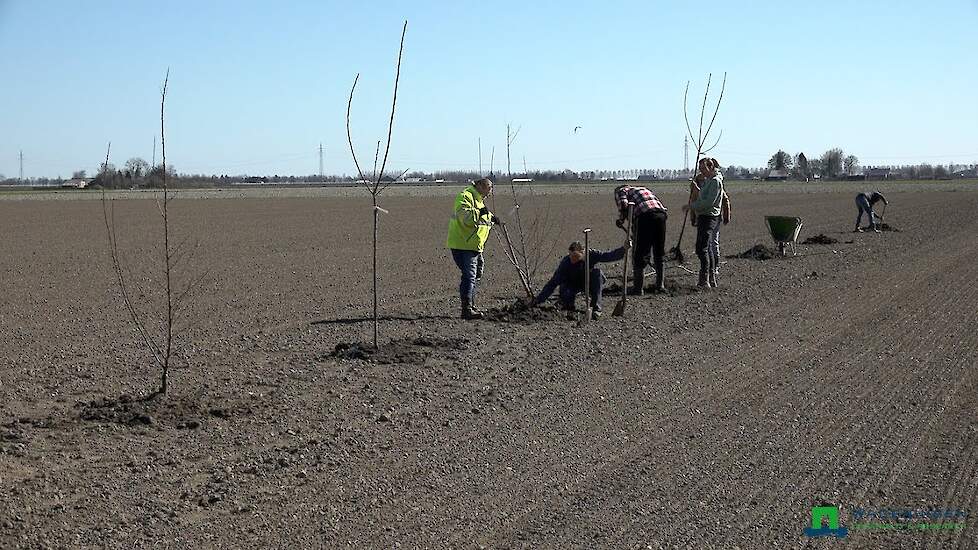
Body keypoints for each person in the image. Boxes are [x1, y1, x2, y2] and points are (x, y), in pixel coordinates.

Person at [446, 178, 500, 319]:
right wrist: (483, 214)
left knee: (477, 273)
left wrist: (493, 218)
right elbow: (466, 216)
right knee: (469, 275)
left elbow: (482, 214)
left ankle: (471, 305)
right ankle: (467, 310)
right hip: (463, 243)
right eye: (489, 188)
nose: (491, 191)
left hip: (474, 245)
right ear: (480, 186)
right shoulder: (465, 196)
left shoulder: (478, 199)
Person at [531, 240, 627, 320]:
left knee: (597, 274)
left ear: (582, 253)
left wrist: (623, 249)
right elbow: (553, 283)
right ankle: (567, 306)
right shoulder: (566, 263)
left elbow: (609, 256)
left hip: (588, 282)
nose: (572, 259)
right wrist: (539, 299)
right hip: (572, 284)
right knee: (565, 292)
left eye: (575, 256)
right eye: (571, 256)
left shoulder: (591, 254)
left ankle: (596, 309)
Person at [614, 185, 668, 294]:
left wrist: (621, 219)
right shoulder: (642, 189)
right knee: (659, 252)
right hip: (661, 215)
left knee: (640, 254)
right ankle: (660, 285)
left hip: (645, 216)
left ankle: (638, 289)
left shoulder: (621, 191)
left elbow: (624, 207)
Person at [683, 157, 724, 289]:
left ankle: (704, 279)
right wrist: (695, 189)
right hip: (704, 217)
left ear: (711, 167)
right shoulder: (708, 181)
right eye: (700, 169)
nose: (701, 172)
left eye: (703, 169)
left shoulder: (715, 182)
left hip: (709, 217)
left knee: (702, 249)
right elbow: (703, 196)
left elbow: (708, 202)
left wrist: (692, 207)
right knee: (705, 248)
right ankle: (710, 278)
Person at [709, 189, 731, 277]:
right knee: (709, 243)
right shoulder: (700, 183)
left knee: (713, 242)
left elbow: (725, 201)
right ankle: (710, 267)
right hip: (704, 217)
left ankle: (714, 266)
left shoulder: (715, 183)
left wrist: (726, 216)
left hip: (714, 217)